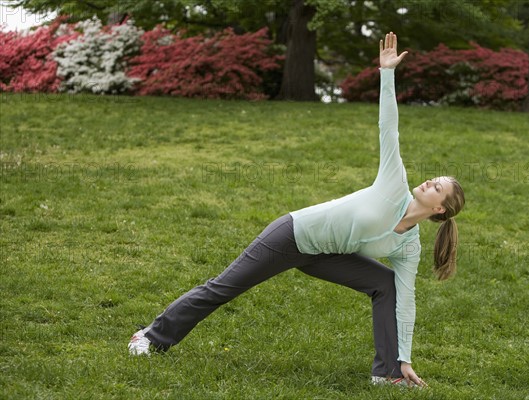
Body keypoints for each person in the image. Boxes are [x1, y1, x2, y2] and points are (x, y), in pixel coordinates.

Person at [128, 32, 465, 388]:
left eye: (437, 187)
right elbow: (389, 128)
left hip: (326, 254)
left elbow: (406, 303)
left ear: (439, 209)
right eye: (433, 178)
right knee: (223, 288)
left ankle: (388, 374)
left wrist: (405, 357)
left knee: (387, 284)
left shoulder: (408, 246)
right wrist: (387, 74)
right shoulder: (394, 183)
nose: (429, 182)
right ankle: (149, 337)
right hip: (292, 235)